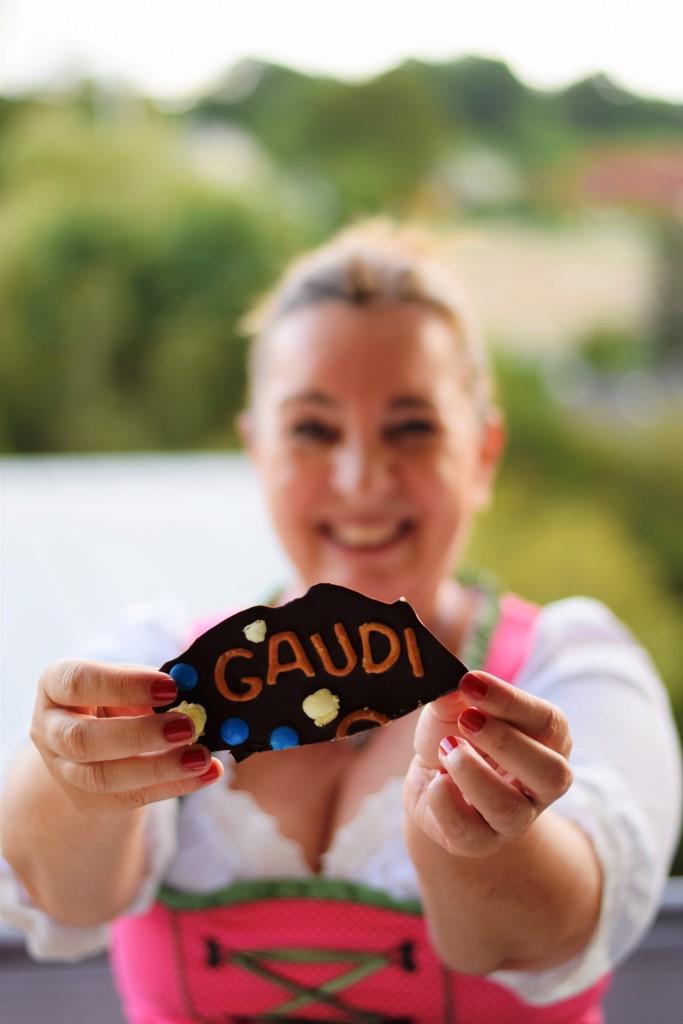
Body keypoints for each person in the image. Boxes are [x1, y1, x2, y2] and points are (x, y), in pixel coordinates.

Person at [1, 219, 681, 1023]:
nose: (362, 477)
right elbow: (67, 900)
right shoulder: (153, 662)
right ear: (258, 453)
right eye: (312, 430)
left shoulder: (569, 669)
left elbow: (537, 936)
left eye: (412, 428)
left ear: (483, 454)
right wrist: (75, 775)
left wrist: (480, 843)